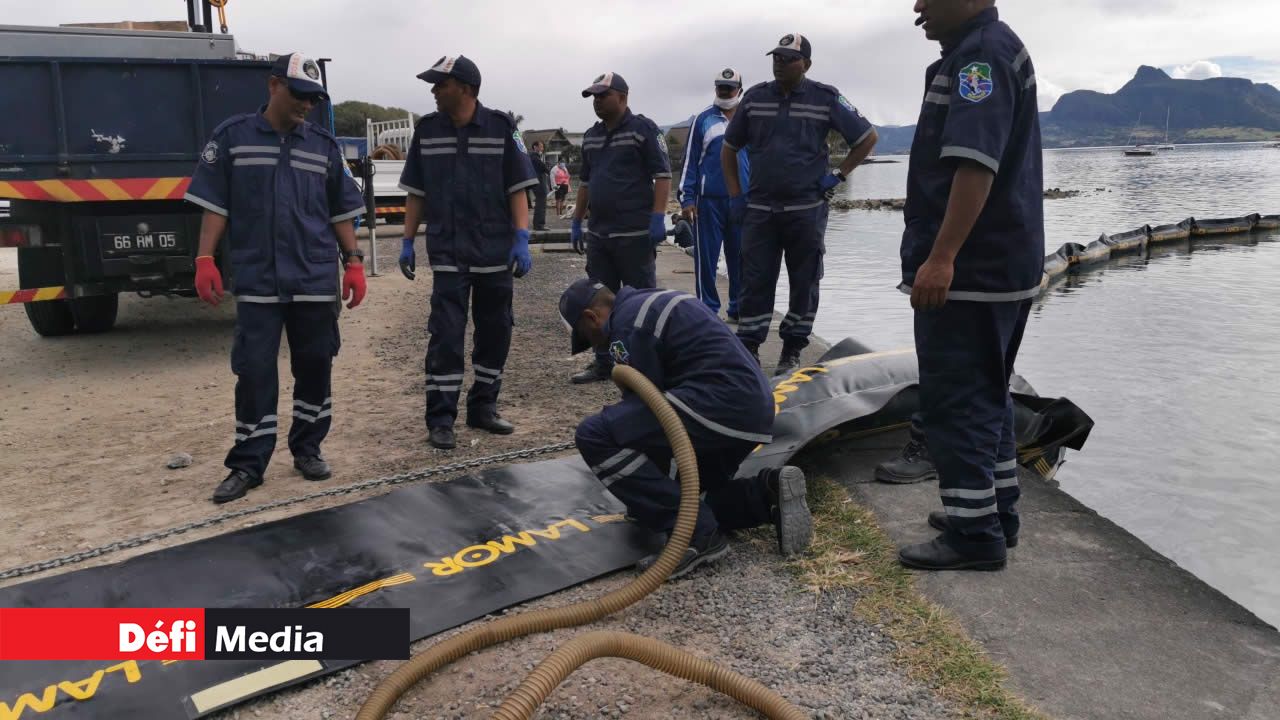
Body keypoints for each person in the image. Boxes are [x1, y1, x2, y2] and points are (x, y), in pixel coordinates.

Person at [895, 0, 1043, 571]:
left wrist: (942, 258)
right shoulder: (983, 50)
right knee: (988, 394)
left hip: (974, 270)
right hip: (1001, 265)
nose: (919, 7)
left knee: (956, 399)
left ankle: (972, 531)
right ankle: (995, 511)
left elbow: (974, 166)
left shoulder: (980, 57)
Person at [185, 52, 367, 503]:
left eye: (313, 98)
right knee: (253, 372)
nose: (306, 105)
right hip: (259, 279)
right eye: (298, 95)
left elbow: (342, 211)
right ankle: (248, 463)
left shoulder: (322, 146)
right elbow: (215, 206)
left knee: (315, 367)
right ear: (273, 87)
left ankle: (308, 448)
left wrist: (355, 261)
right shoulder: (234, 139)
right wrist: (204, 259)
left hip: (312, 277)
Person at [559, 278, 813, 578]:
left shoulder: (627, 327)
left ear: (592, 317)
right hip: (751, 409)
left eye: (588, 338)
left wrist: (641, 489)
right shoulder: (649, 302)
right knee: (679, 496)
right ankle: (763, 495)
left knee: (595, 434)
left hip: (716, 404)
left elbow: (645, 405)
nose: (594, 348)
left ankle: (696, 535)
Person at [397, 55, 539, 450]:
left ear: (466, 88)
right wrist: (407, 241)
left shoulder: (500, 128)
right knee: (445, 337)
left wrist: (521, 237)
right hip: (447, 253)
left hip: (494, 251)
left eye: (441, 84)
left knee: (495, 332)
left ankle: (483, 408)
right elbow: (417, 192)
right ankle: (441, 419)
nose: (434, 90)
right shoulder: (427, 131)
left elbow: (517, 188)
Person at [722, 33, 878, 376]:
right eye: (776, 57)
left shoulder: (826, 98)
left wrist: (838, 175)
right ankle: (748, 347)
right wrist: (736, 194)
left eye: (788, 59)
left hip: (806, 209)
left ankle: (792, 349)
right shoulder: (755, 98)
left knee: (804, 281)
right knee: (755, 279)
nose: (779, 63)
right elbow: (729, 148)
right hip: (760, 209)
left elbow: (867, 138)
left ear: (805, 63)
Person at [569, 72, 672, 384]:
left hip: (634, 233)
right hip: (600, 234)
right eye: (594, 97)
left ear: (622, 97)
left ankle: (646, 364)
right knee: (600, 302)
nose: (597, 102)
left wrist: (658, 217)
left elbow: (663, 175)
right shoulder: (591, 136)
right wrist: (576, 219)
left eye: (603, 96)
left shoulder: (644, 130)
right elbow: (585, 182)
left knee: (641, 298)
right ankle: (604, 363)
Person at [680, 68, 750, 322]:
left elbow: (757, 161)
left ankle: (738, 307)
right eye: (720, 86)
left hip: (741, 201)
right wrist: (687, 198)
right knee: (706, 261)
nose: (724, 91)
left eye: (729, 87)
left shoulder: (748, 119)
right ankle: (708, 310)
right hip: (707, 202)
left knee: (740, 259)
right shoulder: (703, 120)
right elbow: (689, 162)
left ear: (739, 90)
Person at [529, 140, 550, 230]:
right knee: (541, 204)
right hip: (539, 183)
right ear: (535, 147)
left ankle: (537, 224)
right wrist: (548, 169)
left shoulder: (534, 157)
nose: (542, 148)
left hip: (536, 182)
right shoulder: (534, 157)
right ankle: (539, 225)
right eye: (540, 146)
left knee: (539, 203)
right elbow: (544, 168)